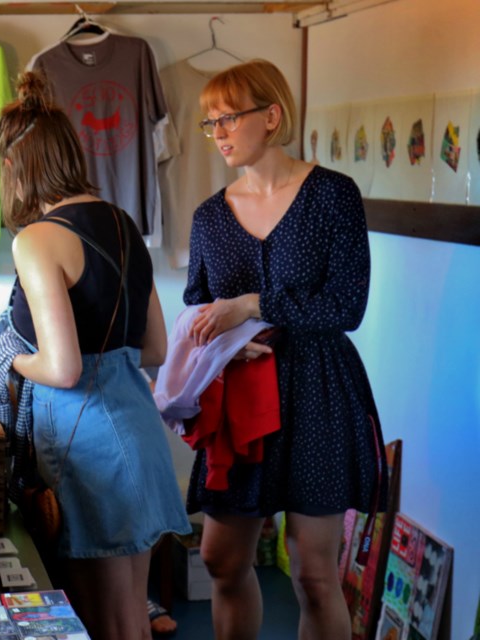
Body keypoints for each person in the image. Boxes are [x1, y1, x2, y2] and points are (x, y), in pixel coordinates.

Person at [0, 71, 190, 640]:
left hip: (88, 444)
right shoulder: (123, 223)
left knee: (103, 624)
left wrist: (9, 360)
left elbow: (61, 369)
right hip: (137, 428)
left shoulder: (37, 239)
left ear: (15, 165)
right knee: (130, 615)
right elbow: (154, 348)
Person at [181, 59, 385, 640]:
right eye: (209, 122)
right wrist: (219, 341)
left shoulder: (333, 195)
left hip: (318, 392)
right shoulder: (209, 217)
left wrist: (250, 306)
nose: (217, 133)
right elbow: (197, 308)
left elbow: (347, 306)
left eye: (228, 118)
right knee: (222, 558)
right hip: (240, 397)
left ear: (271, 116)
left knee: (316, 575)